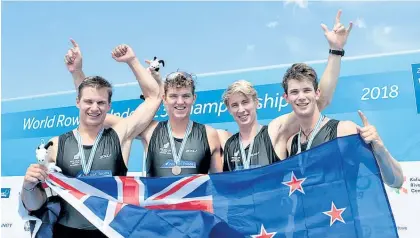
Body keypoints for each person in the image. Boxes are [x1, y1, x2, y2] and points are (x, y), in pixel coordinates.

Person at [20, 43, 162, 237]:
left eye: (101, 102)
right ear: (78, 102)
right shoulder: (56, 145)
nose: (94, 107)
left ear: (109, 105)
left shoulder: (120, 135)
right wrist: (27, 187)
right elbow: (35, 203)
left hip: (110, 232)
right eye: (88, 101)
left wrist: (132, 61)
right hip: (66, 232)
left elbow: (154, 97)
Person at [66, 40, 223, 177]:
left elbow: (220, 185)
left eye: (186, 96)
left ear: (193, 99)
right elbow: (95, 113)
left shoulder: (210, 135)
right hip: (155, 212)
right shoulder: (150, 130)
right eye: (174, 96)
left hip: (196, 212)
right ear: (164, 99)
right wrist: (77, 72)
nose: (180, 102)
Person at [222, 10, 352, 171]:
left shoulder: (275, 131)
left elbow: (321, 100)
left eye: (245, 102)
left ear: (256, 102)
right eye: (235, 105)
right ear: (228, 109)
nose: (241, 109)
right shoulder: (230, 145)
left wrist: (335, 51)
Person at [283, 63, 403, 188]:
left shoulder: (344, 131)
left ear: (317, 93)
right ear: (286, 97)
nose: (301, 97)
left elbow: (396, 181)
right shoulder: (291, 143)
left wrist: (380, 150)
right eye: (294, 92)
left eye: (307, 90)